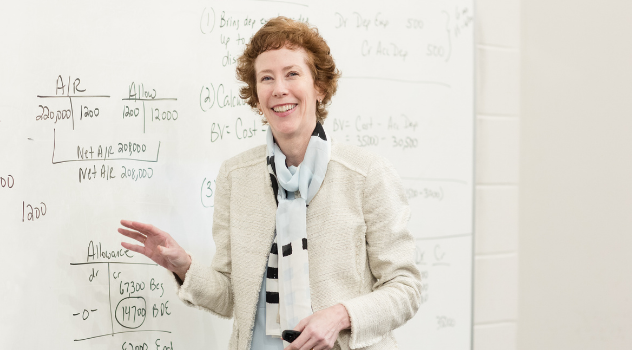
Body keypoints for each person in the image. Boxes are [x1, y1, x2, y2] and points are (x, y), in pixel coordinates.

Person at [119, 17, 421, 350]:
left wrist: (340, 315)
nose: (279, 89)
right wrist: (184, 266)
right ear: (257, 95)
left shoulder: (366, 174)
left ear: (319, 87)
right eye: (266, 78)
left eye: (292, 74)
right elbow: (233, 295)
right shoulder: (236, 177)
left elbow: (405, 287)